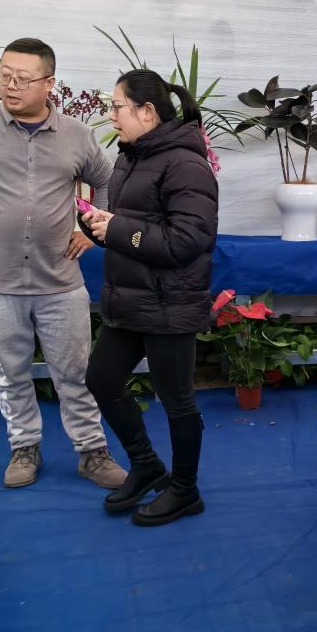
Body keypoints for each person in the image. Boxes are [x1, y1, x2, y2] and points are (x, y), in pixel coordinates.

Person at [0, 37, 125, 489]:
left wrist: (93, 229)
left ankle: (91, 451)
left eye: (22, 79)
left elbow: (108, 180)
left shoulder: (76, 135)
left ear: (49, 83)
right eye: (4, 76)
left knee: (76, 374)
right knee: (10, 375)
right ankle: (24, 447)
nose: (11, 86)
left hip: (60, 282)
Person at [82, 69, 218, 527]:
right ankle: (145, 465)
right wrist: (99, 226)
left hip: (169, 303)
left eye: (117, 106)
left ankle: (186, 489)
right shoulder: (129, 158)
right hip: (130, 299)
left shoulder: (186, 165)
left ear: (147, 111)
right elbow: (133, 225)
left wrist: (119, 229)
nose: (111, 115)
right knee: (102, 380)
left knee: (176, 400)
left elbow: (187, 241)